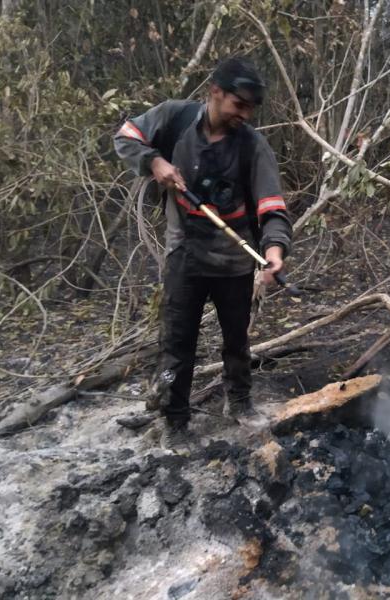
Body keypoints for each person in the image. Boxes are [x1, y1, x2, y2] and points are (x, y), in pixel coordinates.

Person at [114, 57, 292, 444]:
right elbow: (125, 136)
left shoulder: (252, 146)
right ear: (215, 92)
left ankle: (240, 402)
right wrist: (154, 161)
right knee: (177, 343)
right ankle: (174, 420)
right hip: (184, 255)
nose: (244, 115)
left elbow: (271, 205)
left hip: (235, 261)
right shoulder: (173, 119)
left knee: (236, 340)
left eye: (250, 108)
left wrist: (274, 249)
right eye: (238, 105)